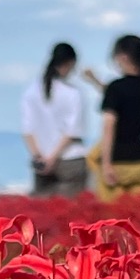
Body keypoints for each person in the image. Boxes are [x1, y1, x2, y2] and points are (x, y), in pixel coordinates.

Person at [21, 42, 89, 196]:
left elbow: (27, 130)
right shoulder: (73, 93)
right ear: (70, 63)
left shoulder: (31, 92)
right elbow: (73, 131)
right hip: (70, 159)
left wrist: (40, 157)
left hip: (41, 163)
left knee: (42, 214)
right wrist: (53, 157)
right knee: (72, 213)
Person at [96, 35, 140, 198]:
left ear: (122, 56)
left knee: (113, 220)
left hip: (119, 163)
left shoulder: (115, 88)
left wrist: (106, 163)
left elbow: (109, 126)